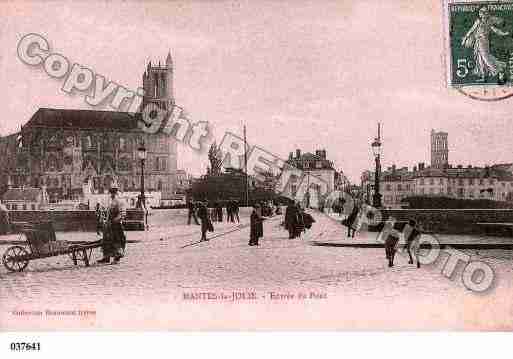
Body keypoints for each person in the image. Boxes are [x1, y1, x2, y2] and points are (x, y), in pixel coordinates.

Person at [461, 7, 510, 82]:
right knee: (480, 59)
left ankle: (500, 70)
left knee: (486, 58)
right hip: (478, 42)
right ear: (480, 14)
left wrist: (504, 33)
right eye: (482, 12)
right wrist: (465, 39)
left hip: (484, 42)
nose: (483, 14)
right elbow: (471, 30)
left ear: (487, 14)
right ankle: (483, 76)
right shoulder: (478, 21)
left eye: (485, 12)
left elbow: (496, 30)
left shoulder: (489, 22)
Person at [98, 187, 126, 264]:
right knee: (107, 240)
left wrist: (115, 220)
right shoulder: (111, 201)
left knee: (117, 241)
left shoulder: (120, 201)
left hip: (116, 225)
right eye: (111, 193)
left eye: (113, 193)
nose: (111, 195)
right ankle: (106, 257)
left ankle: (117, 258)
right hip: (109, 224)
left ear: (116, 193)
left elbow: (122, 214)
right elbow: (108, 213)